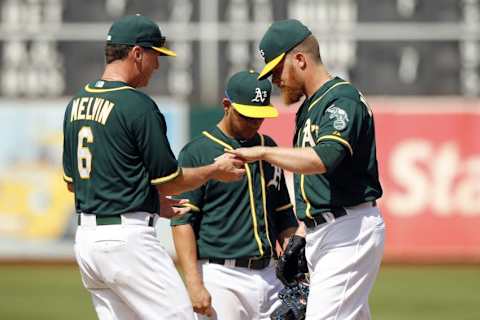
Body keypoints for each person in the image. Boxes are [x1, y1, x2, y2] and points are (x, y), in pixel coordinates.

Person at [62, 14, 244, 320]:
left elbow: (73, 182)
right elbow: (171, 181)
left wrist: (143, 198)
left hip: (88, 244)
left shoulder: (77, 102)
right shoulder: (137, 106)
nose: (157, 65)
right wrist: (214, 170)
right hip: (127, 243)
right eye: (154, 55)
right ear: (136, 53)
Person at [227, 19, 385, 320]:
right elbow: (316, 182)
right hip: (324, 230)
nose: (274, 79)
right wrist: (302, 233)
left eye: (276, 70)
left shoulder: (341, 99)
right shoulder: (309, 108)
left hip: (348, 231)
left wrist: (263, 152)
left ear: (299, 59)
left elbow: (325, 157)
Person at [171, 70, 299, 320]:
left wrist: (299, 265)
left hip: (271, 275)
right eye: (247, 116)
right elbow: (182, 222)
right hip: (221, 277)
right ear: (226, 106)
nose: (254, 123)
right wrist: (194, 284)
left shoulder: (267, 148)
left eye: (259, 116)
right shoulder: (198, 152)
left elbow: (284, 214)